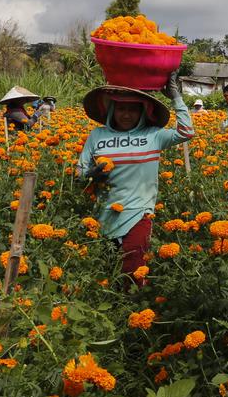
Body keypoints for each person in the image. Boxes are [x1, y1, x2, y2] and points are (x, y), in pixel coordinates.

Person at [77, 72, 194, 286]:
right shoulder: (98, 136)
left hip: (139, 213)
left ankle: (134, 311)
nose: (127, 114)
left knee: (133, 271)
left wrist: (176, 97)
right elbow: (80, 172)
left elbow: (186, 132)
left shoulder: (154, 135)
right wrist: (92, 174)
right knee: (106, 273)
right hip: (103, 215)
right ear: (112, 109)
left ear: (142, 112)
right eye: (122, 108)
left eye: (133, 109)